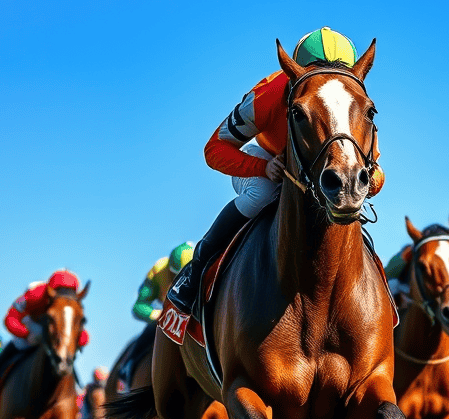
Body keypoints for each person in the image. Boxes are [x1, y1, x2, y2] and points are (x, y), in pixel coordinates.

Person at [167, 27, 384, 317]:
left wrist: (371, 180)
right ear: (294, 74)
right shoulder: (267, 95)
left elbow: (375, 169)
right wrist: (262, 167)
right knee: (262, 193)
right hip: (268, 158)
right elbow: (214, 150)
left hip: (322, 166)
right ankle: (196, 269)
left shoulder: (352, 102)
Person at [0, 270, 89, 397]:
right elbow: (10, 318)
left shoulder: (73, 304)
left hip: (54, 334)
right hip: (32, 327)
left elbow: (81, 335)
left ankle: (77, 388)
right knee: (18, 345)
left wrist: (78, 340)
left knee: (65, 355)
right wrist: (26, 334)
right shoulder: (35, 295)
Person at [118, 243, 193, 392]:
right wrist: (159, 315)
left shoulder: (205, 263)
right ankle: (126, 373)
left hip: (194, 317)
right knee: (146, 337)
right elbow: (138, 307)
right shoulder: (158, 270)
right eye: (175, 276)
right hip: (166, 319)